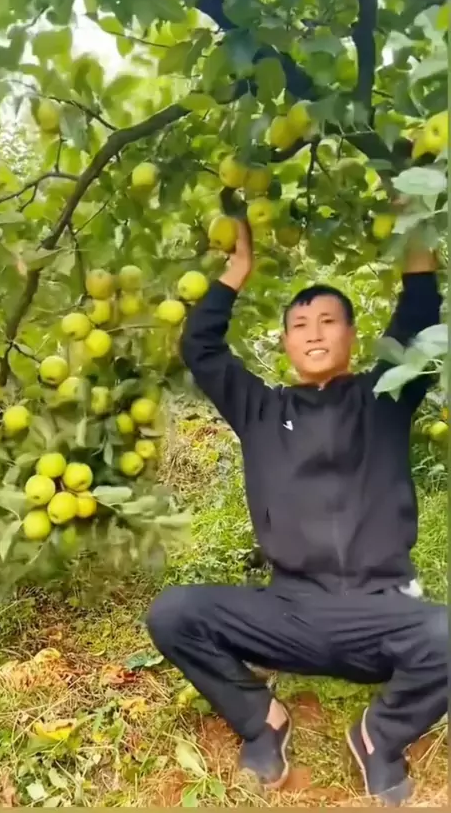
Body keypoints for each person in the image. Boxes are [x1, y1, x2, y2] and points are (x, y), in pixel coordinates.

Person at [147, 219, 447, 805]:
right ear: (285, 341)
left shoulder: (384, 395)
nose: (314, 334)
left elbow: (418, 314)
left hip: (380, 614)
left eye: (328, 321)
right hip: (290, 613)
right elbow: (201, 349)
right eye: (300, 325)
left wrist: (412, 216)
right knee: (174, 613)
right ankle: (263, 721)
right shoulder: (259, 410)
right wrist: (237, 270)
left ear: (352, 335)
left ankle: (380, 737)